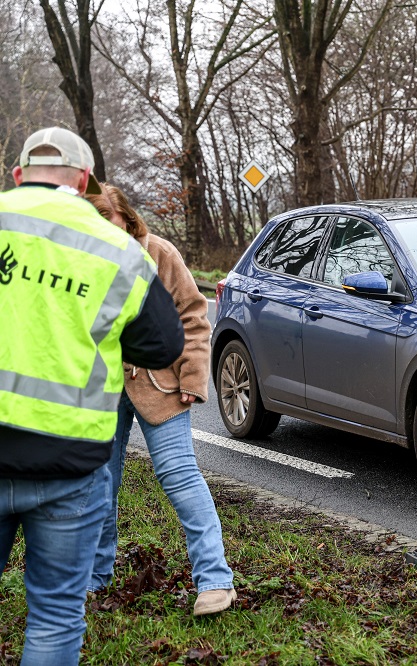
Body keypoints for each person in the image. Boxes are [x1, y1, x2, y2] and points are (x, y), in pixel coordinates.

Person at [0, 127, 184, 664]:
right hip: (69, 464)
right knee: (56, 617)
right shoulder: (117, 251)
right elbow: (161, 346)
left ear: (17, 176)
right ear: (83, 182)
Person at [86, 184, 237, 616]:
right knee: (100, 484)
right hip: (101, 389)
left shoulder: (159, 253)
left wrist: (192, 377)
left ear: (128, 220)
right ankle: (97, 579)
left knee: (179, 475)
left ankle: (215, 581)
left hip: (160, 385)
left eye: (111, 224)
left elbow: (193, 316)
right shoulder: (81, 261)